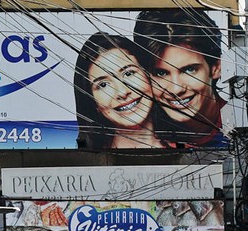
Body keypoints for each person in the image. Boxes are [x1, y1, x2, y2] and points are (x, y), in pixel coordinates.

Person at [133, 9, 228, 148]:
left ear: (216, 68)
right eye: (161, 73)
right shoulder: (140, 135)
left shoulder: (245, 130)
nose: (176, 89)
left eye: (189, 70)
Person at [74, 34, 170, 150]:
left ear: (148, 74)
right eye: (103, 85)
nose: (122, 92)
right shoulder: (86, 161)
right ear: (92, 102)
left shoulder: (190, 149)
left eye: (128, 73)